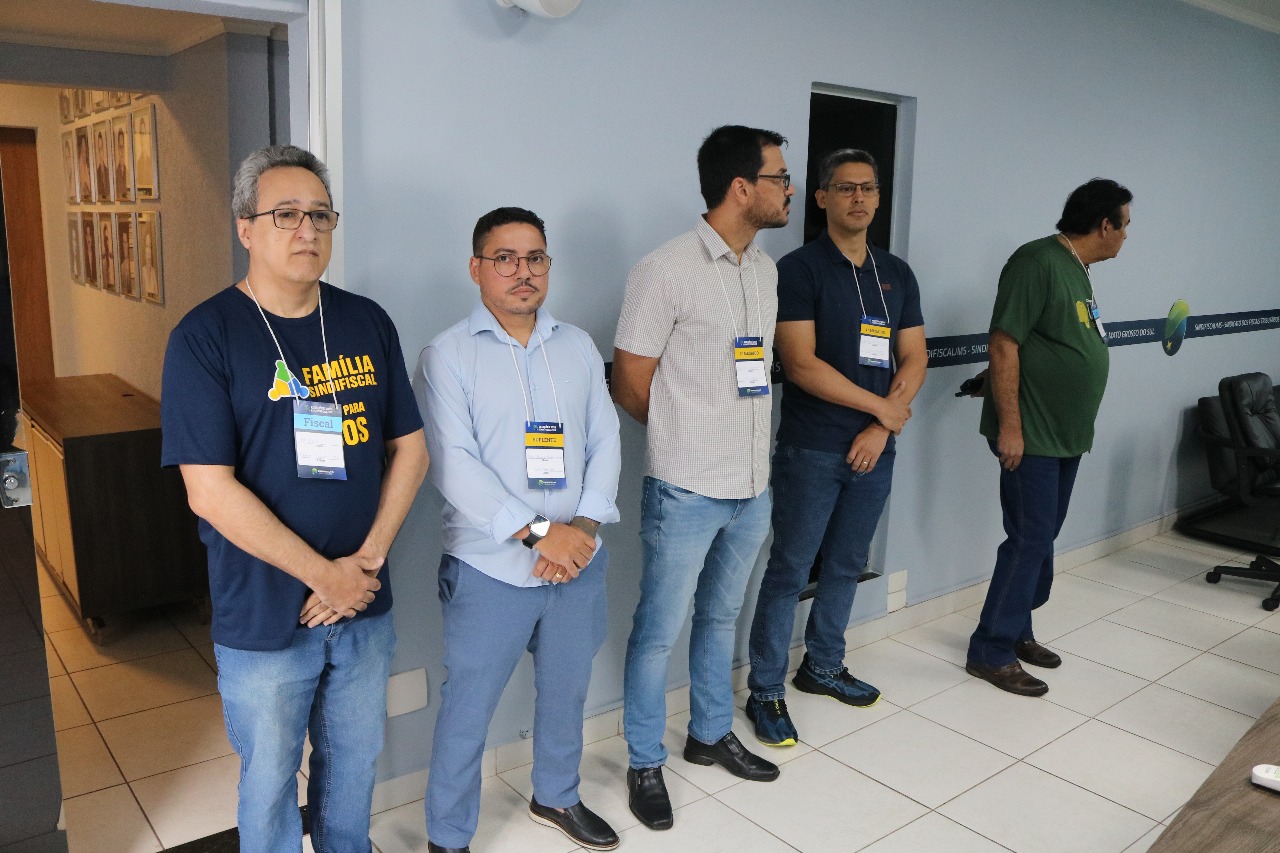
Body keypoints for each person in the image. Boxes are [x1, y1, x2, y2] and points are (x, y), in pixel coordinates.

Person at [160, 144, 429, 851]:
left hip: (363, 603)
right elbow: (209, 491)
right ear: (245, 228)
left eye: (320, 215)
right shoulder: (204, 338)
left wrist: (364, 563)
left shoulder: (366, 321)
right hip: (264, 614)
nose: (307, 230)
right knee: (272, 778)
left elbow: (411, 449)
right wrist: (323, 575)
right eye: (286, 214)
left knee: (353, 764)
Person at [417, 207, 621, 853]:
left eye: (535, 257)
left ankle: (556, 794)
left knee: (566, 690)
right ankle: (448, 835)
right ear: (476, 268)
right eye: (504, 258)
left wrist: (579, 531)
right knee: (468, 707)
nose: (522, 271)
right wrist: (540, 534)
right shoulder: (447, 354)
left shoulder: (577, 345)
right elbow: (453, 464)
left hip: (577, 559)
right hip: (490, 567)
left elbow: (606, 439)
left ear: (548, 266)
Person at [613, 124, 793, 831]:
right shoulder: (664, 269)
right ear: (741, 187)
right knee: (658, 631)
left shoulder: (765, 270)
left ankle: (710, 732)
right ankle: (644, 760)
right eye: (779, 178)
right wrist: (680, 436)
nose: (789, 190)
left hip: (752, 485)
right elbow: (631, 382)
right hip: (686, 487)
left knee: (721, 618)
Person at [745, 149, 926, 745]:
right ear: (821, 198)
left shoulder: (896, 273)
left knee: (847, 563)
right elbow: (800, 364)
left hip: (876, 448)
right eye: (845, 188)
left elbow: (914, 356)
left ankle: (822, 666)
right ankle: (765, 690)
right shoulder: (799, 270)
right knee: (791, 569)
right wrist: (881, 409)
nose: (859, 198)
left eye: (868, 188)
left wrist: (882, 427)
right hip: (814, 449)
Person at [966, 178, 1132, 696]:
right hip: (1031, 433)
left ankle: (1018, 630)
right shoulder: (1036, 262)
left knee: (1040, 536)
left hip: (1065, 434)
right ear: (1104, 224)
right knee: (1030, 538)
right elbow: (1004, 343)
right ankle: (990, 650)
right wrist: (1011, 427)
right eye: (1125, 226)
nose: (1126, 236)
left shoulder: (1076, 268)